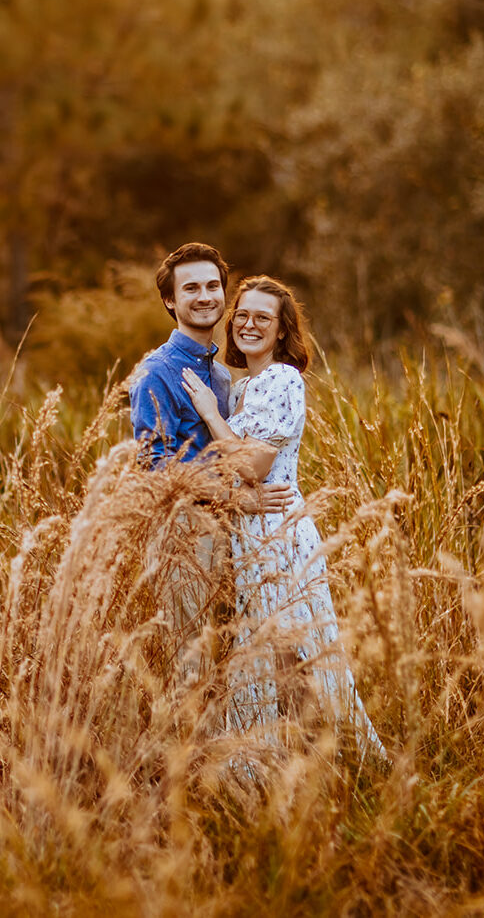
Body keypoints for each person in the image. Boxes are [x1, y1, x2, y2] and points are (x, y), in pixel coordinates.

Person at [180, 275, 384, 755]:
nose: (249, 325)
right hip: (249, 528)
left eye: (263, 318)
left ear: (281, 329)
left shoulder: (281, 379)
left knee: (290, 650)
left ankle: (323, 755)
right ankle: (280, 754)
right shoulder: (243, 385)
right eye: (243, 316)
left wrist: (211, 414)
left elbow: (251, 466)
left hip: (279, 529)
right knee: (263, 647)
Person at [128, 244, 291, 676]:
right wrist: (234, 499)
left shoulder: (220, 375)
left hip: (233, 534)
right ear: (170, 300)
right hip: (184, 534)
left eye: (213, 286)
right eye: (191, 288)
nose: (205, 296)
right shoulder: (156, 372)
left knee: (231, 664)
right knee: (191, 665)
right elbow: (154, 468)